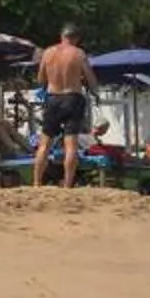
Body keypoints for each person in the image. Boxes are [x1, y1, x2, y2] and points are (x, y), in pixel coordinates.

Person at [32, 25, 95, 188]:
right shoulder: (78, 53)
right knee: (71, 144)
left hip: (53, 98)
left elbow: (40, 79)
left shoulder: (48, 53)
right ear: (76, 39)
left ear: (61, 36)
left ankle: (37, 183)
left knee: (45, 142)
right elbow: (90, 77)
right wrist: (94, 90)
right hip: (73, 97)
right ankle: (67, 185)